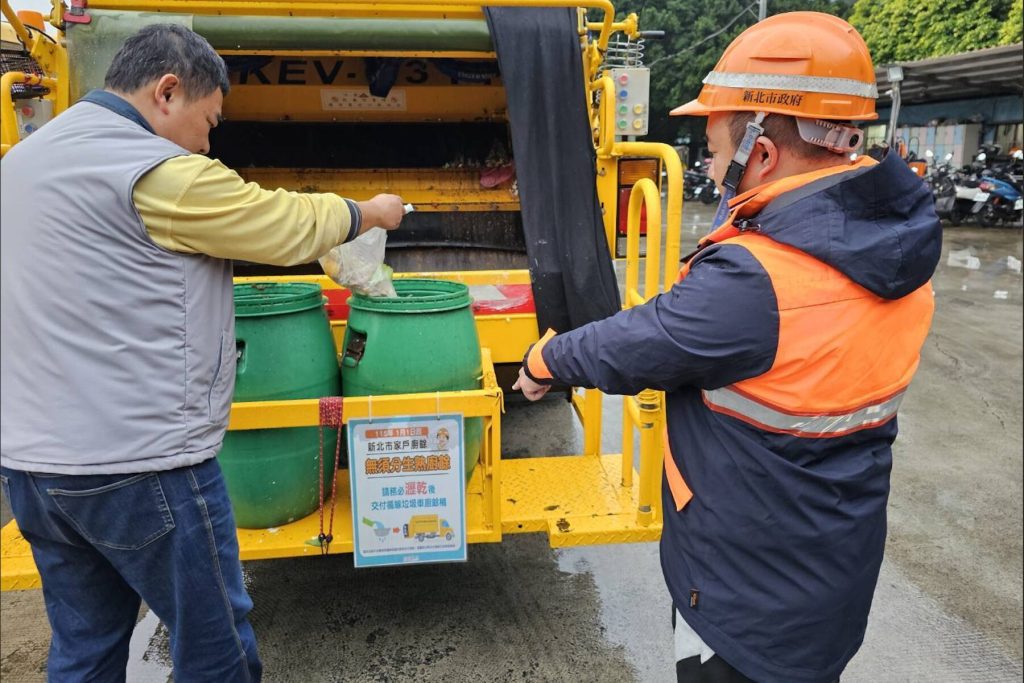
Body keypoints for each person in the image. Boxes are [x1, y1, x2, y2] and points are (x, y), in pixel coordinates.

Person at [514, 12, 941, 683]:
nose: (709, 167)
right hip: (828, 574)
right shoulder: (893, 241)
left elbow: (643, 340)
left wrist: (546, 360)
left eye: (713, 148)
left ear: (762, 152)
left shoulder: (758, 278)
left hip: (746, 601)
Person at [0, 24, 405, 682]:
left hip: (33, 469)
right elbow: (280, 223)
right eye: (209, 121)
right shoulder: (152, 170)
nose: (209, 142)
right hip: (140, 466)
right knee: (214, 650)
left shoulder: (23, 161)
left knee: (84, 648)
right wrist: (369, 211)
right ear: (167, 91)